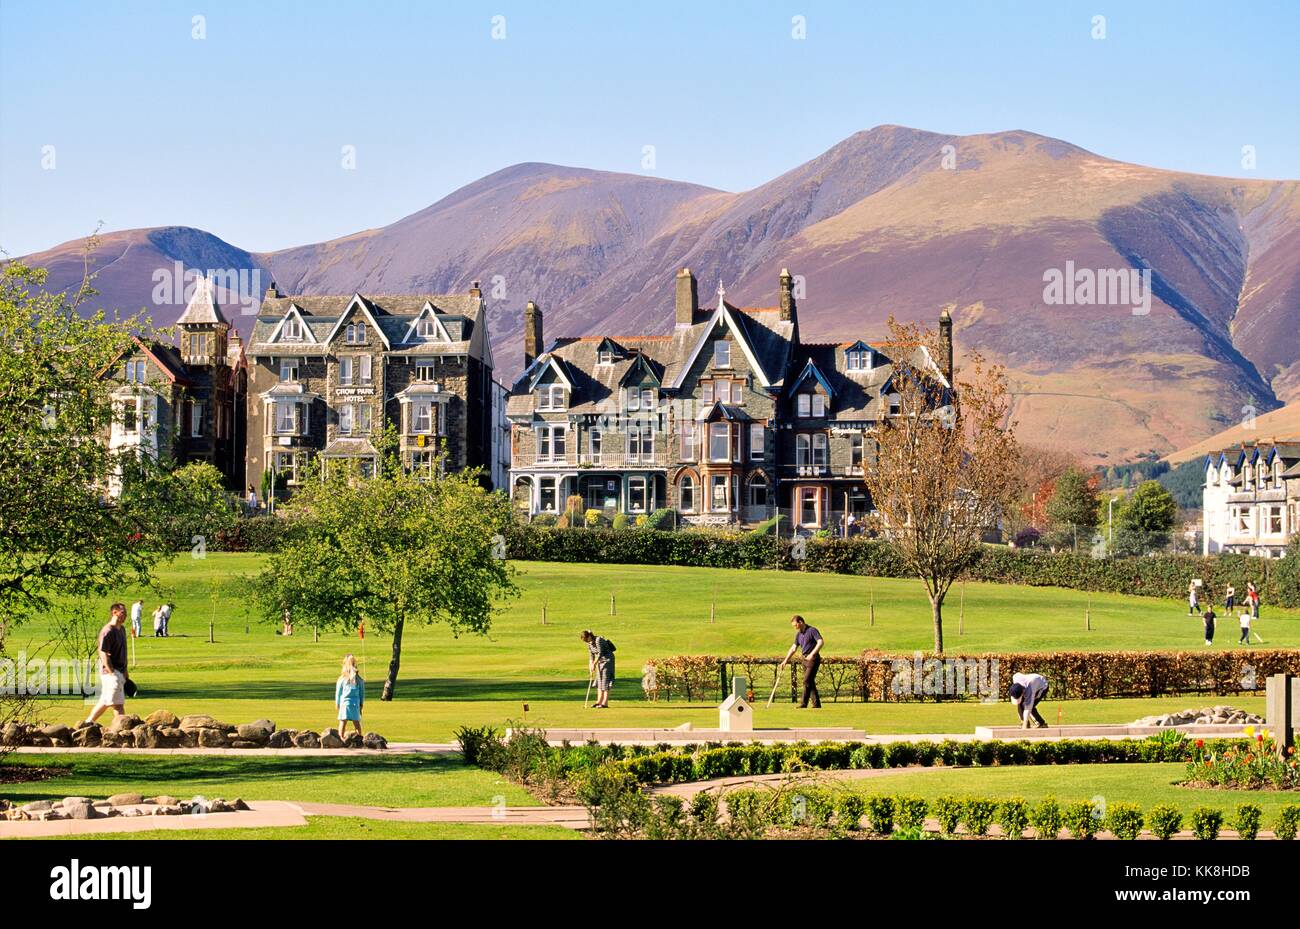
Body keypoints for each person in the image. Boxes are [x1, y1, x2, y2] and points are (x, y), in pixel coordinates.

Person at [85, 603, 129, 726]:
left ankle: (87, 723)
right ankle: (121, 728)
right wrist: (111, 672)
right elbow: (102, 652)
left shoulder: (122, 629)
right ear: (114, 613)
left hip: (120, 670)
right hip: (111, 673)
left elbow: (123, 651)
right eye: (122, 613)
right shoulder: (108, 630)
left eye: (125, 613)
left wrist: (125, 671)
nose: (125, 615)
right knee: (118, 704)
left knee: (105, 701)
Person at [779, 615, 824, 709]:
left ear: (800, 622)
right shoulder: (798, 634)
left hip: (813, 659)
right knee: (810, 682)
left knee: (806, 681)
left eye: (795, 625)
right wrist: (785, 660)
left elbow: (820, 642)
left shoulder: (812, 630)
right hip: (804, 660)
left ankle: (803, 703)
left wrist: (812, 654)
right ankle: (817, 704)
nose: (795, 628)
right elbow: (793, 648)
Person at [580, 630, 616, 708]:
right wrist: (590, 666)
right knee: (599, 680)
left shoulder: (598, 640)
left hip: (608, 660)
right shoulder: (589, 644)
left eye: (586, 639)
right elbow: (591, 656)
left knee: (605, 680)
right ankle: (599, 701)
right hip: (599, 661)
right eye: (585, 641)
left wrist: (594, 664)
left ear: (589, 636)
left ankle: (604, 703)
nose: (586, 642)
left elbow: (600, 653)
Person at [334, 654, 364, 739]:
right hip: (355, 703)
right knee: (356, 723)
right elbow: (362, 693)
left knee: (343, 722)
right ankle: (360, 739)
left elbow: (338, 693)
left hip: (344, 704)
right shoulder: (359, 679)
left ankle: (341, 738)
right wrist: (361, 704)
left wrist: (337, 703)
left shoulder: (342, 679)